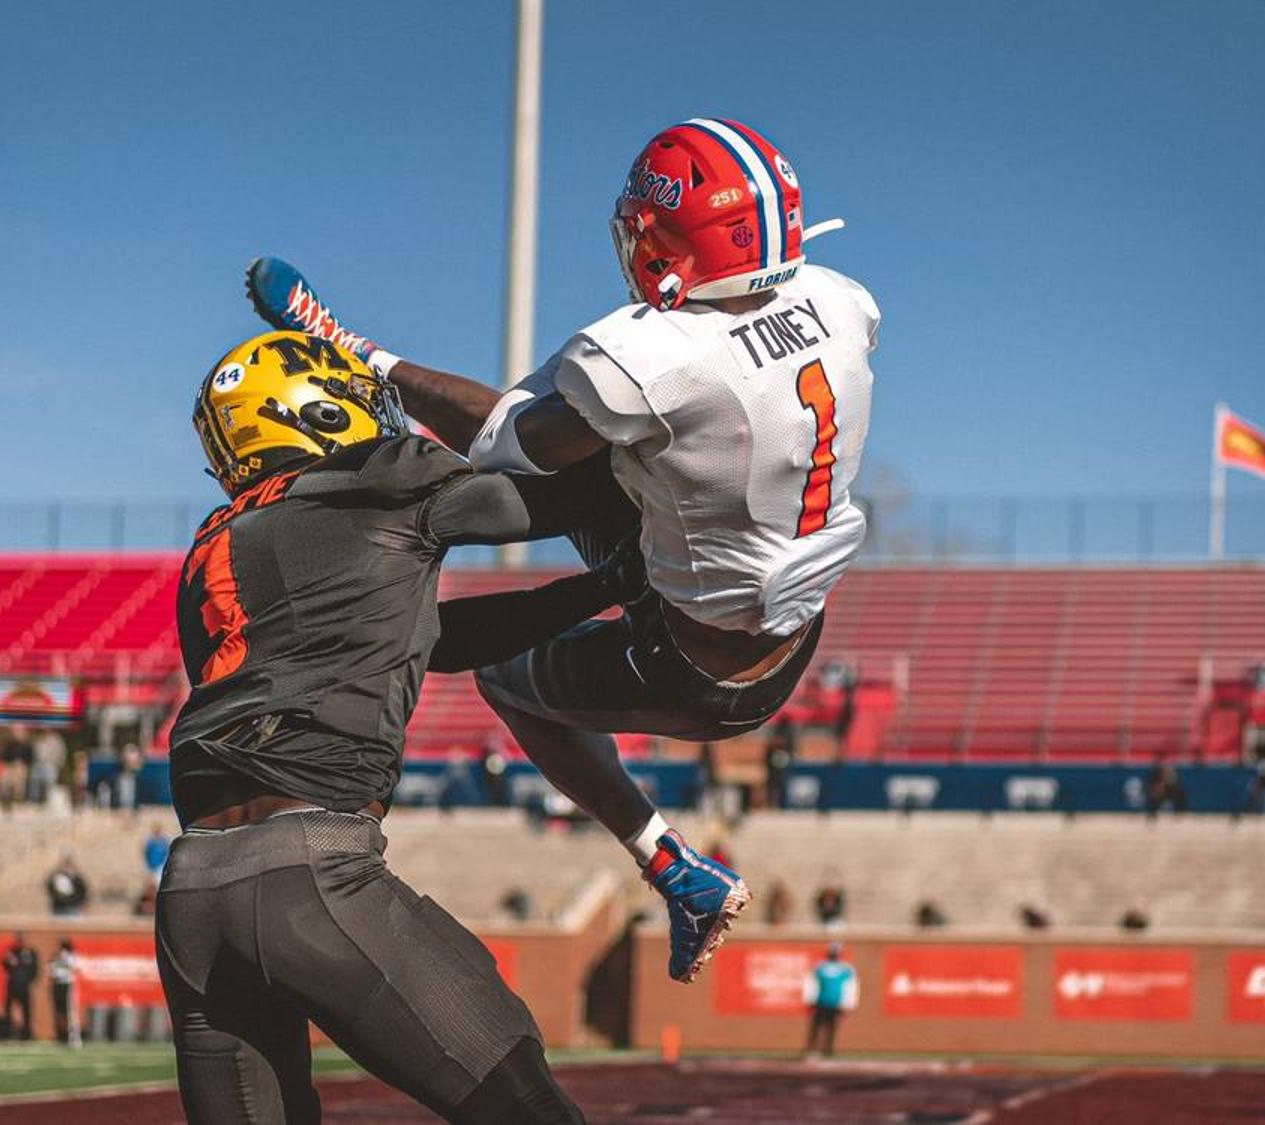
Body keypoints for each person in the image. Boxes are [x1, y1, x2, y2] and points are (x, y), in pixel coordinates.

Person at [248, 116, 880, 984]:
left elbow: (509, 436)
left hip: (700, 664)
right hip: (777, 612)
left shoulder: (662, 358)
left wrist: (370, 361)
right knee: (616, 456)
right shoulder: (841, 300)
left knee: (511, 669)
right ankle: (403, 505)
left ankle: (673, 866)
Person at [158, 330, 622, 1122]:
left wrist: (598, 590)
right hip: (311, 871)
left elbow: (433, 640)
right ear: (312, 410)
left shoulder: (215, 541)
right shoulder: (375, 479)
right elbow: (560, 495)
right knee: (527, 1108)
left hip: (192, 894)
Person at [803, 942, 858, 1057]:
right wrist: (810, 999)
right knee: (816, 1026)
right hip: (821, 1002)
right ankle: (811, 1048)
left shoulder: (846, 969)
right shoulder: (820, 967)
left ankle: (828, 1049)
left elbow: (851, 987)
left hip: (836, 1003)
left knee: (832, 1027)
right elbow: (811, 983)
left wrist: (848, 1003)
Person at [2, 932, 39, 1040]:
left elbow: (35, 969)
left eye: (22, 939)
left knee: (27, 1011)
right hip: (12, 985)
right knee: (8, 1010)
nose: (21, 941)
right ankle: (8, 1033)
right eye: (19, 939)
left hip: (24, 986)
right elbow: (5, 965)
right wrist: (8, 961)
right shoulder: (12, 952)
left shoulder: (31, 953)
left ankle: (26, 1033)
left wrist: (29, 981)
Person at [49, 938, 80, 1047]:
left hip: (68, 984)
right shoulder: (56, 956)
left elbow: (74, 967)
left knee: (70, 1012)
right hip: (58, 984)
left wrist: (63, 959)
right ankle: (61, 1036)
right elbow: (51, 970)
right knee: (59, 1012)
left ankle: (73, 1038)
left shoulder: (71, 956)